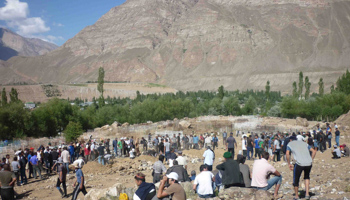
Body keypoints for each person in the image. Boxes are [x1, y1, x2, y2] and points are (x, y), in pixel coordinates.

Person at [286, 136, 316, 200]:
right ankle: (307, 194)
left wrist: (289, 163)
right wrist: (311, 159)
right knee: (306, 177)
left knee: (296, 179)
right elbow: (314, 151)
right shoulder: (304, 143)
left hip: (299, 163)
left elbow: (287, 153)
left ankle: (297, 196)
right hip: (309, 163)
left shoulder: (290, 144)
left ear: (291, 140)